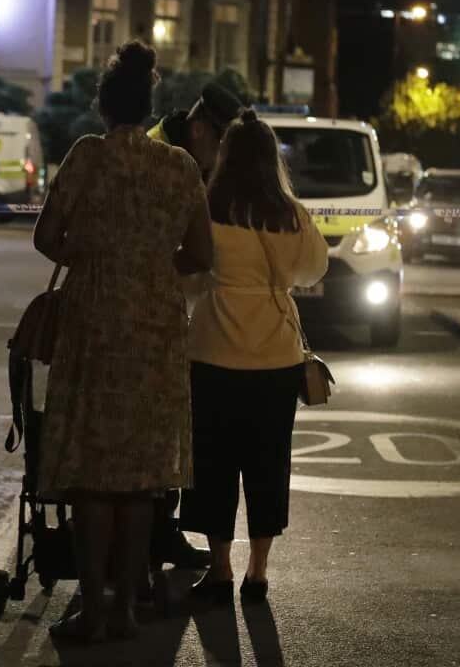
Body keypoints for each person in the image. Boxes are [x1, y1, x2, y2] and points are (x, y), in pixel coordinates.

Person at [34, 40, 213, 642]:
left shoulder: (88, 156)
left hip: (93, 320)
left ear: (105, 107)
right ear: (148, 105)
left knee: (92, 470)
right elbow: (202, 254)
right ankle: (129, 607)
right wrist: (151, 264)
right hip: (156, 325)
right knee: (141, 475)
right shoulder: (180, 167)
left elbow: (45, 236)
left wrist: (92, 256)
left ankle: (93, 607)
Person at [182, 110, 328, 608]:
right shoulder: (290, 215)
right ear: (271, 160)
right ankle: (258, 571)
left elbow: (191, 275)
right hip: (275, 357)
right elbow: (314, 269)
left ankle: (220, 567)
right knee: (268, 463)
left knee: (213, 464)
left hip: (213, 351)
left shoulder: (208, 208)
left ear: (226, 156)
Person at [145, 83, 243, 569]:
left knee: (172, 428)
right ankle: (147, 534)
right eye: (220, 142)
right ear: (201, 129)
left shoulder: (194, 157)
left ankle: (161, 530)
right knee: (152, 428)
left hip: (174, 307)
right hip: (147, 309)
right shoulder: (161, 154)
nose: (222, 156)